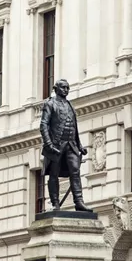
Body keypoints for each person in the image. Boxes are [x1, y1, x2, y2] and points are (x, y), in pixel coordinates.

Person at [39, 79, 92, 212]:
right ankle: (55, 203)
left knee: (75, 171)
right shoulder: (50, 104)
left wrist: (79, 145)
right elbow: (44, 125)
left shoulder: (69, 105)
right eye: (63, 87)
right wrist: (49, 143)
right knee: (54, 174)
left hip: (71, 144)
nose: (66, 90)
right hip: (56, 145)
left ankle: (79, 201)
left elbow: (74, 126)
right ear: (55, 89)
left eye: (68, 88)